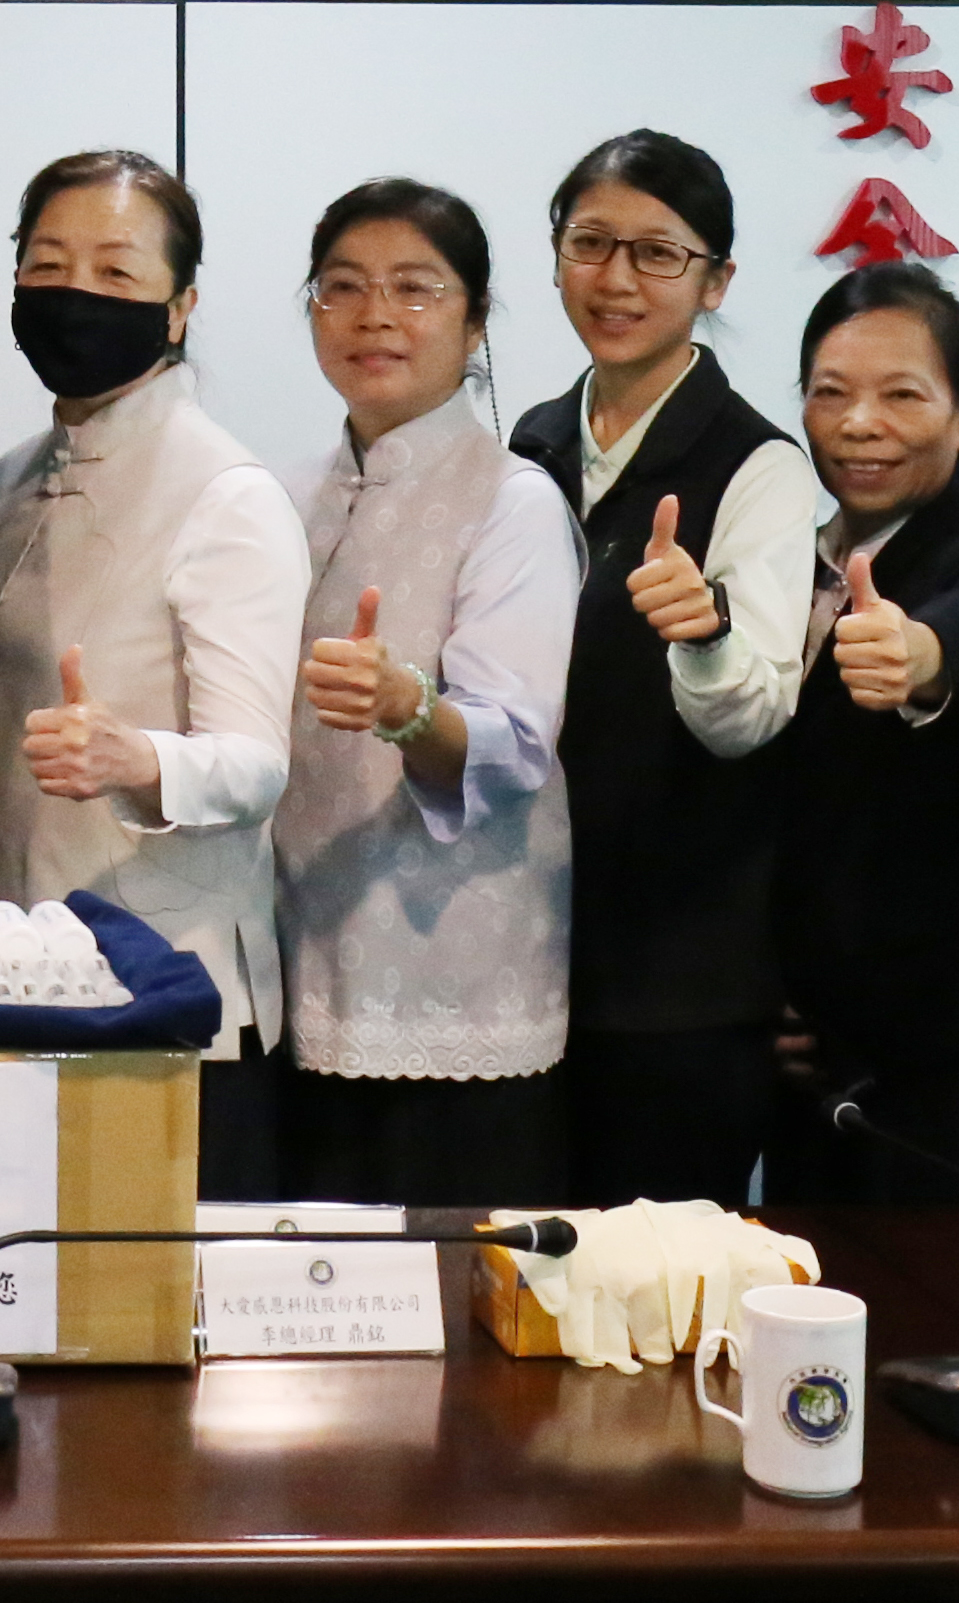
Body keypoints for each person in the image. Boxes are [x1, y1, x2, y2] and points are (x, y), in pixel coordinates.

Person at [0, 152, 308, 1199]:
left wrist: (134, 757)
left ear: (179, 309)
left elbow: (255, 766)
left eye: (115, 272)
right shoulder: (8, 479)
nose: (75, 296)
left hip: (158, 1007)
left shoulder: (225, 492)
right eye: (47, 265)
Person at [506, 131, 810, 1210]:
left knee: (665, 1290)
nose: (617, 279)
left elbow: (755, 714)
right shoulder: (530, 444)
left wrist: (704, 633)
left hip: (682, 983)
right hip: (530, 957)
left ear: (716, 278)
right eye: (590, 244)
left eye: (658, 253)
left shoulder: (758, 463)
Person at [273, 180, 581, 1208]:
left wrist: (408, 704)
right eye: (344, 287)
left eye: (416, 288)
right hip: (288, 965)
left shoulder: (514, 499)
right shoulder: (287, 489)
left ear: (477, 318)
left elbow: (511, 747)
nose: (374, 316)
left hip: (449, 976)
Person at [762, 263, 959, 1204]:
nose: (860, 424)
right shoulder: (778, 565)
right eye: (831, 394)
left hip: (947, 1067)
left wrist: (922, 654)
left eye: (903, 395)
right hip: (805, 1057)